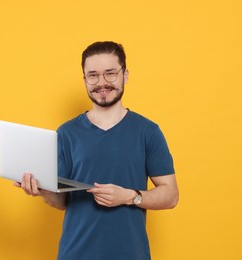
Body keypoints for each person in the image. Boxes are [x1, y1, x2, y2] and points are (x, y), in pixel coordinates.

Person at [14, 41, 179, 260]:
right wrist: (42, 191)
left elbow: (171, 195)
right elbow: (62, 202)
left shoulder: (148, 131)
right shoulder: (66, 133)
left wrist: (129, 197)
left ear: (125, 75)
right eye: (92, 75)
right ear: (84, 79)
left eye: (110, 73)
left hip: (130, 254)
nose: (101, 83)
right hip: (75, 254)